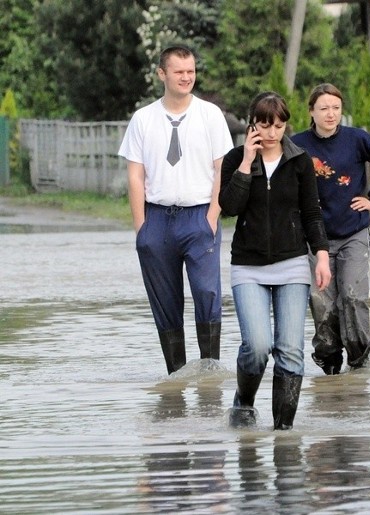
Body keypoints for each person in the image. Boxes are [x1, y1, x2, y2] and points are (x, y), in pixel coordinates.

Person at [118, 45, 233, 375]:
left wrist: (212, 215)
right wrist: (142, 228)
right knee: (165, 303)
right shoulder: (143, 119)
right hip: (157, 220)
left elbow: (221, 169)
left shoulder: (210, 115)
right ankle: (177, 377)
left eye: (191, 71)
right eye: (179, 71)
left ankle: (209, 373)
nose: (186, 77)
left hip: (199, 218)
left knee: (207, 292)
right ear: (162, 74)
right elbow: (135, 174)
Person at [219, 92, 331, 430]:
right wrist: (245, 164)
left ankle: (283, 433)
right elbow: (229, 207)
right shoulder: (235, 158)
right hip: (248, 266)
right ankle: (244, 401)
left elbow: (312, 214)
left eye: (279, 126)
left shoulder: (299, 162)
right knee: (257, 346)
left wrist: (322, 256)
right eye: (265, 126)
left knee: (290, 350)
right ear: (252, 124)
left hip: (293, 263)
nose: (272, 133)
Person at [291, 83, 370, 375]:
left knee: (352, 296)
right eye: (324, 108)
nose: (331, 114)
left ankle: (359, 360)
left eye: (336, 108)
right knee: (322, 300)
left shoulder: (357, 139)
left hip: (353, 231)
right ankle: (329, 362)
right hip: (316, 237)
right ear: (311, 111)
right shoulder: (297, 144)